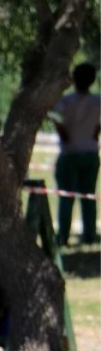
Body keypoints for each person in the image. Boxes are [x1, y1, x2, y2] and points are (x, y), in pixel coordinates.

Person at [50, 63, 101, 246]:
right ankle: (89, 235)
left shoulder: (66, 101)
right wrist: (96, 130)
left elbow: (53, 116)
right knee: (88, 196)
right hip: (90, 151)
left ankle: (63, 235)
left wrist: (63, 132)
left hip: (69, 152)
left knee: (66, 196)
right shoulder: (97, 101)